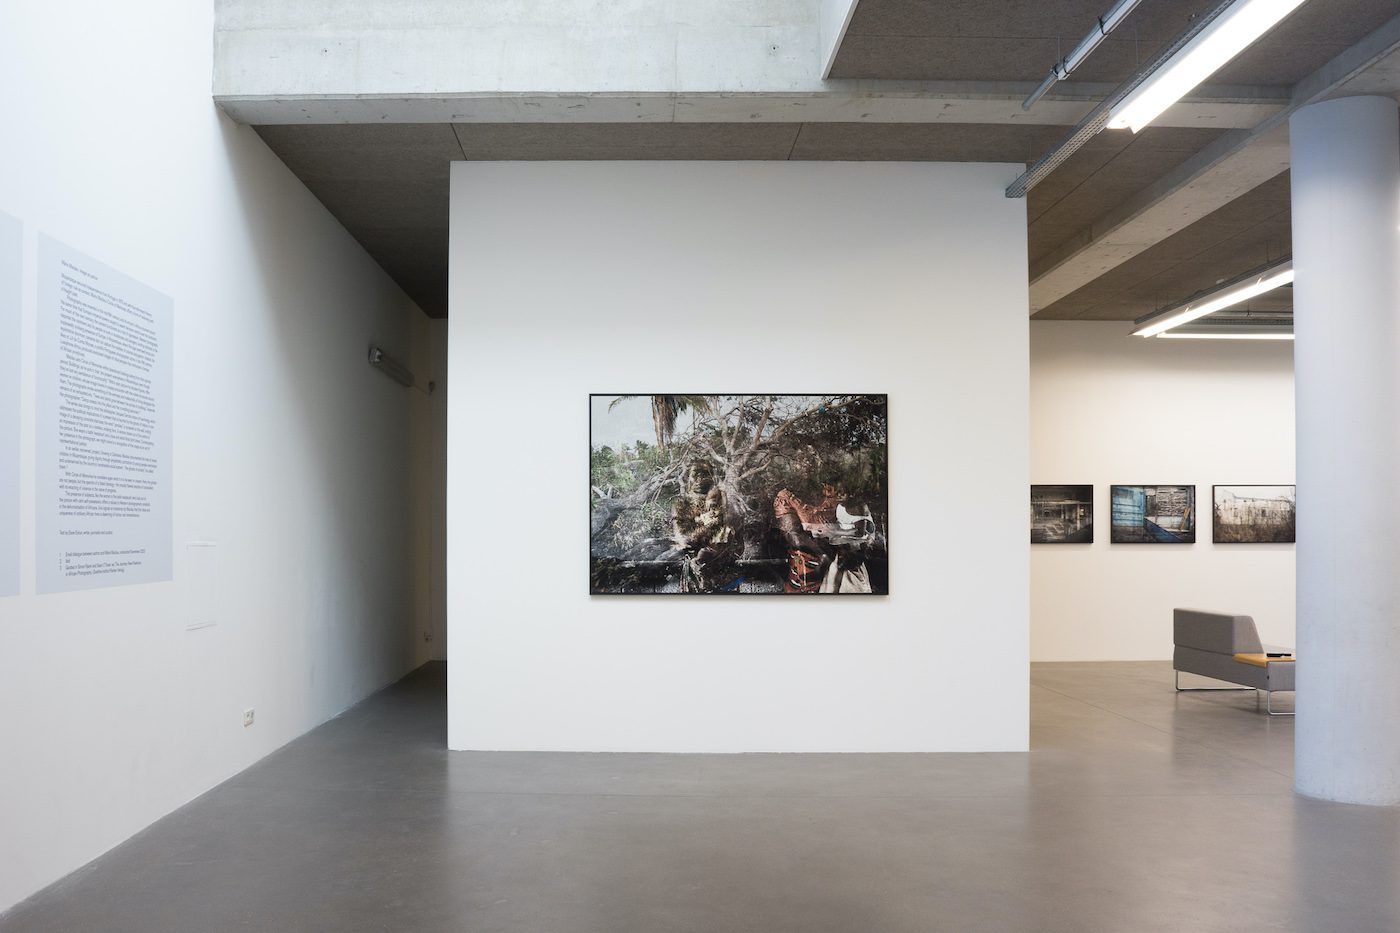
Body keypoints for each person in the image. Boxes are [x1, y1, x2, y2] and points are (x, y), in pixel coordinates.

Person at [773, 480, 879, 594]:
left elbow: (867, 526)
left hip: (846, 564)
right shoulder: (786, 497)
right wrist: (827, 554)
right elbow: (794, 537)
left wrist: (861, 551)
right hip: (809, 571)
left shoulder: (838, 490)